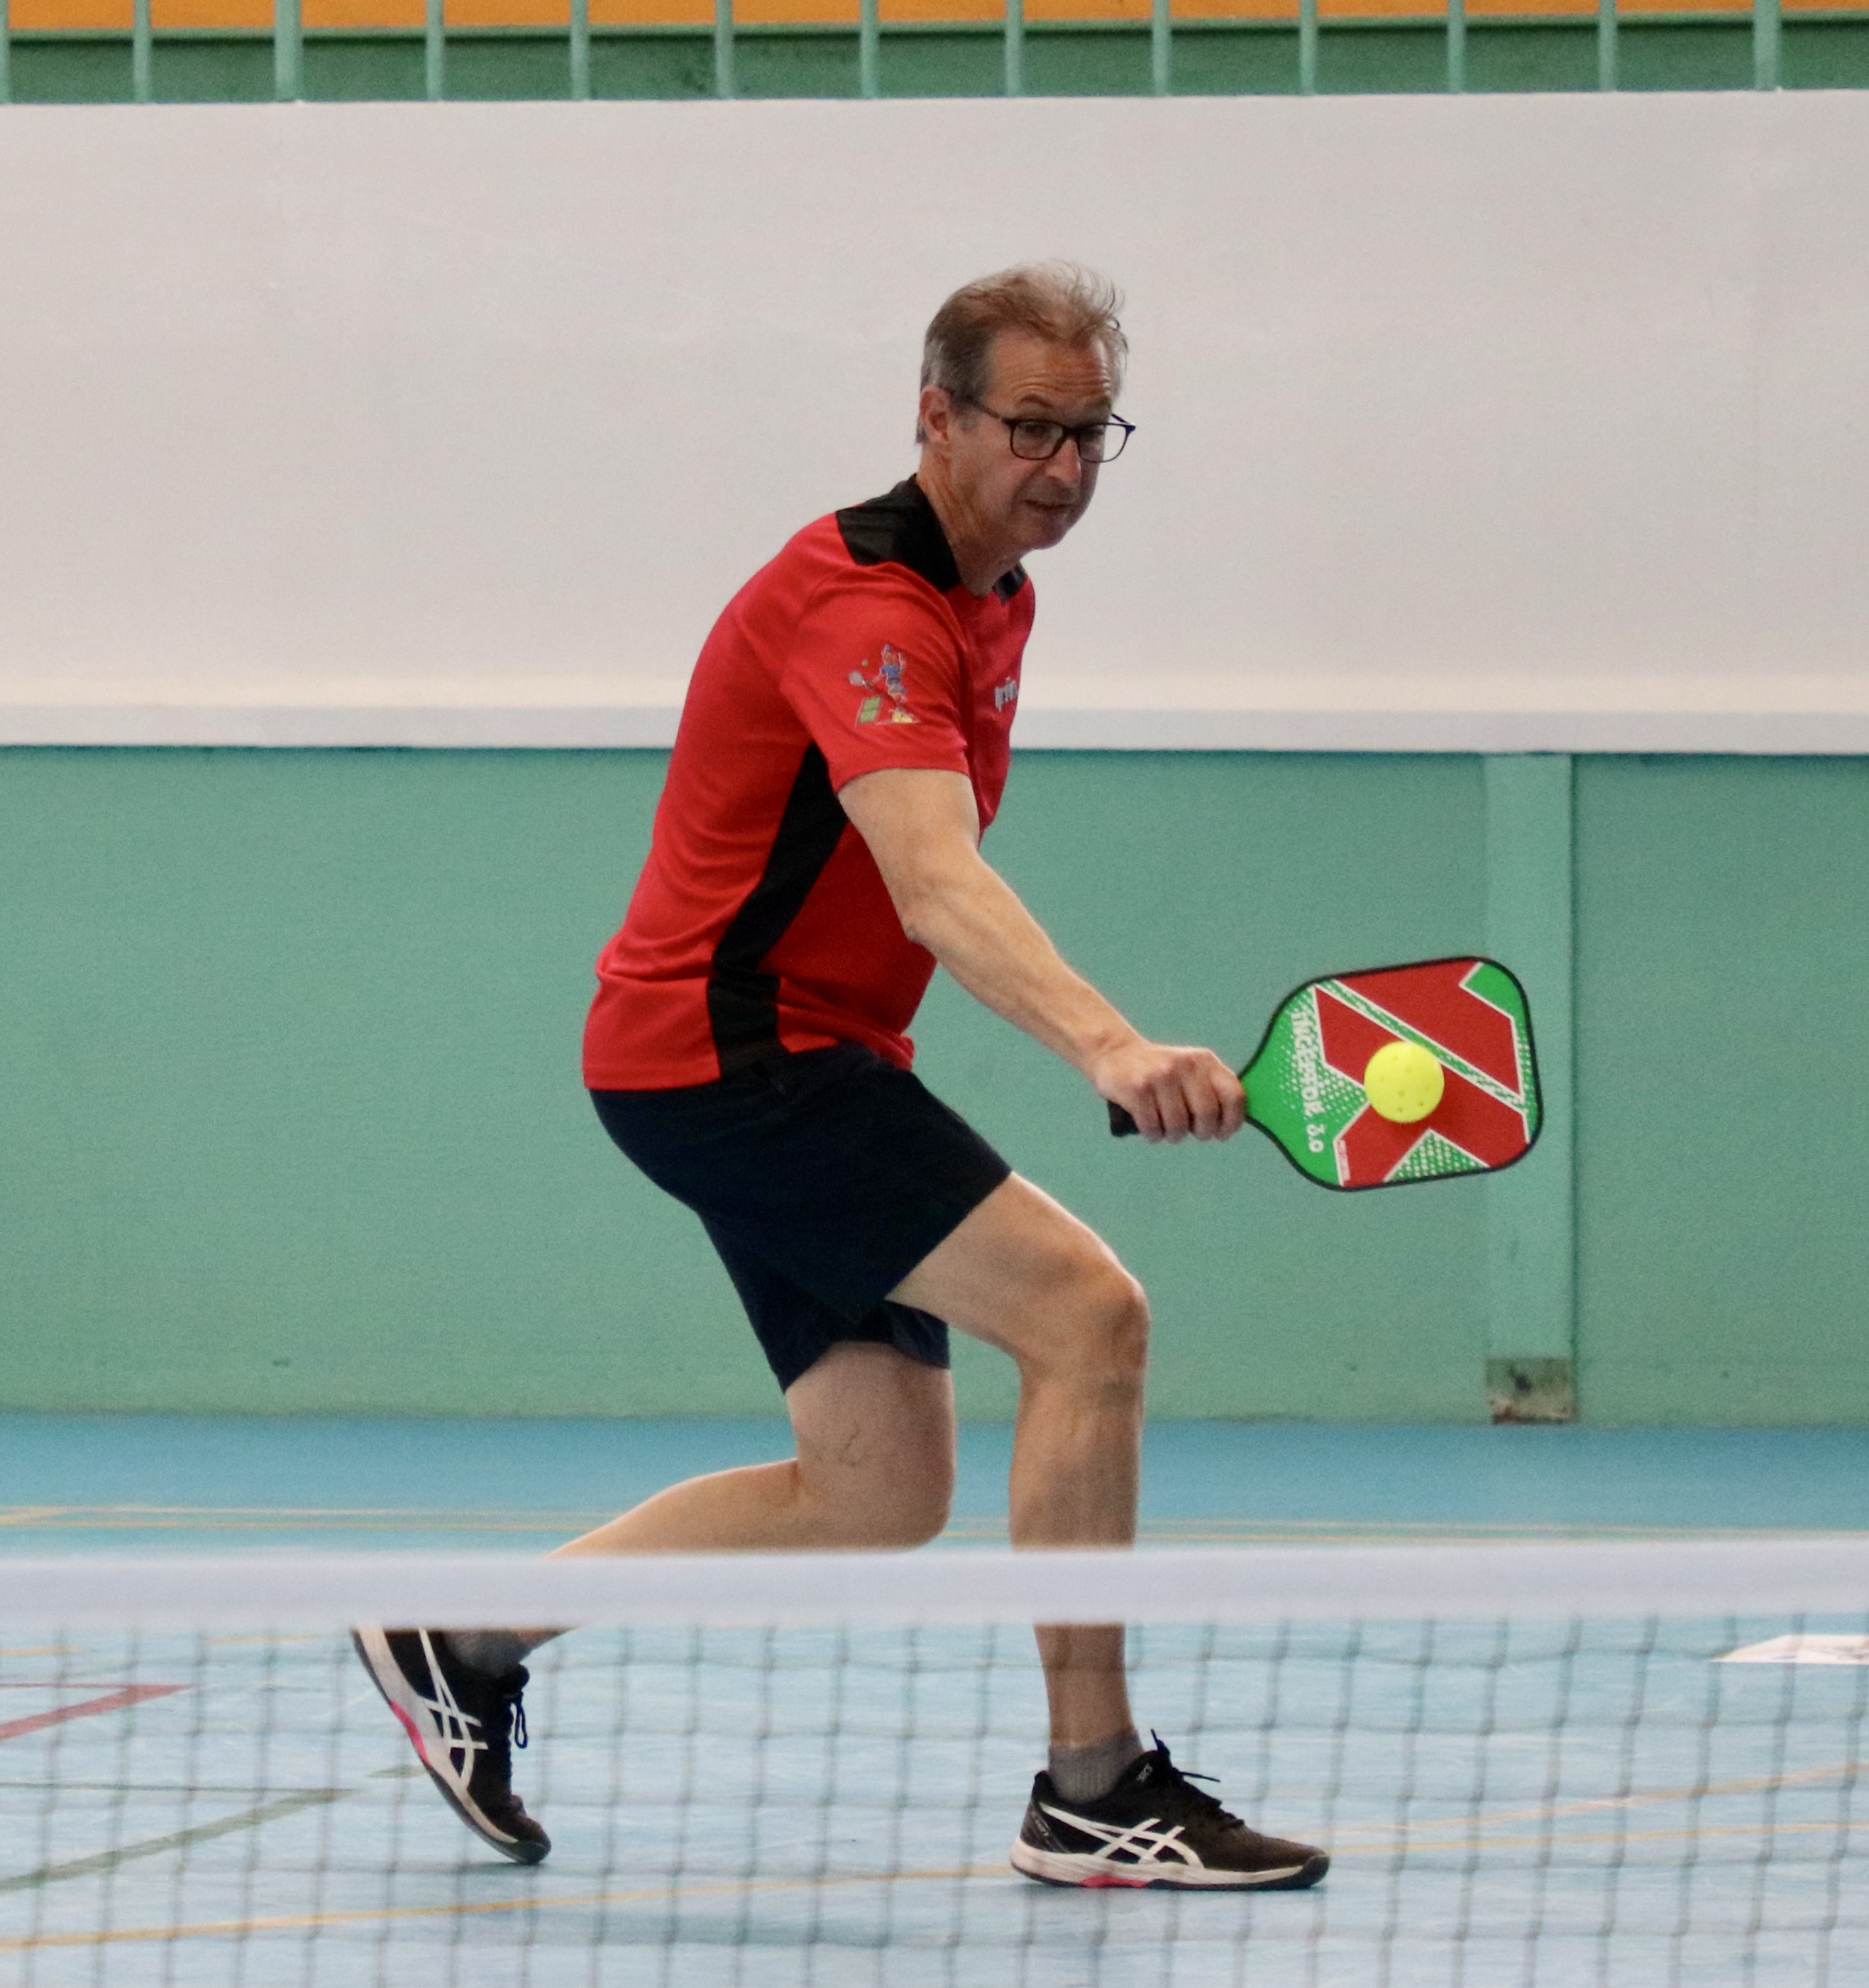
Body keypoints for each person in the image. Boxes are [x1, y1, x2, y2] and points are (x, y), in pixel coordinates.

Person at [355, 263, 1330, 1894]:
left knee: (876, 1492)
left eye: (1092, 433)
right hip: (734, 1054)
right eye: (1030, 427)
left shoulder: (994, 599)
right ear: (936, 417)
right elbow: (932, 879)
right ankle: (1093, 1786)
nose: (1064, 467)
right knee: (1088, 1318)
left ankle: (461, 1639)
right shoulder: (866, 603)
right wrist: (1108, 1045)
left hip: (778, 1056)